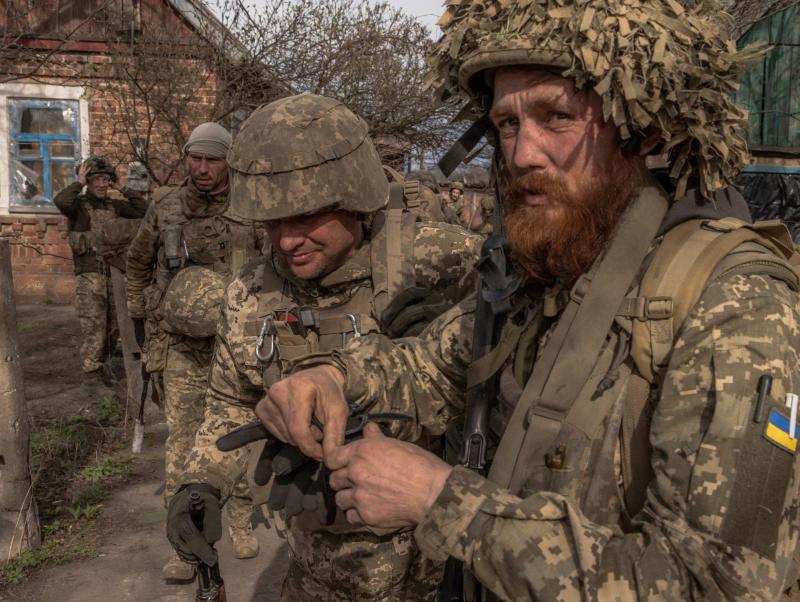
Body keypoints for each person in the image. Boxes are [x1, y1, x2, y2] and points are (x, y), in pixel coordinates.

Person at [252, 1, 800, 600]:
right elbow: (432, 367)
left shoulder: (736, 309)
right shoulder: (547, 268)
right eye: (507, 124)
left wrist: (441, 500)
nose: (523, 154)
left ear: (643, 131)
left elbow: (712, 583)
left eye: (556, 116)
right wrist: (330, 378)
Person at [164, 94, 482, 600]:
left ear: (354, 199)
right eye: (272, 222)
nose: (287, 241)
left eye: (305, 217)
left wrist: (454, 346)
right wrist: (201, 481)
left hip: (438, 568)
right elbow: (230, 402)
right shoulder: (250, 293)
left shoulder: (447, 263)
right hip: (317, 569)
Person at [125, 122, 261, 581]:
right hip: (180, 346)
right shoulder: (166, 205)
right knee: (182, 445)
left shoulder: (251, 203)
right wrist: (146, 321)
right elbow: (138, 264)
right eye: (195, 159)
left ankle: (240, 520)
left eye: (212, 159)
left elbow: (275, 267)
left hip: (235, 347)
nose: (202, 169)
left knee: (235, 437)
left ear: (229, 161)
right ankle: (184, 547)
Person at [54, 156, 148, 380]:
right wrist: (79, 182)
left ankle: (104, 369)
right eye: (97, 179)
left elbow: (145, 210)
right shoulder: (78, 207)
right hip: (89, 276)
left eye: (106, 179)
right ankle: (92, 374)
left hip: (113, 275)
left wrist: (123, 188)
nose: (102, 184)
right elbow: (61, 201)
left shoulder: (115, 206)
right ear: (88, 181)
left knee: (114, 325)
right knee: (94, 325)